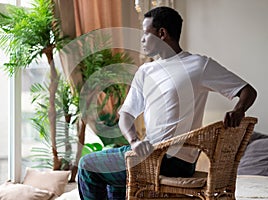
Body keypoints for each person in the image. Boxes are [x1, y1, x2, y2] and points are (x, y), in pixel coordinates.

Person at [77, 6, 257, 200]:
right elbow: (126, 115)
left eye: (146, 33)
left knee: (87, 165)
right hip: (149, 155)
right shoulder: (146, 71)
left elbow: (247, 91)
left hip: (172, 160)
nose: (142, 39)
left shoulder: (198, 65)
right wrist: (134, 141)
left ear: (162, 33)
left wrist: (238, 111)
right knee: (114, 181)